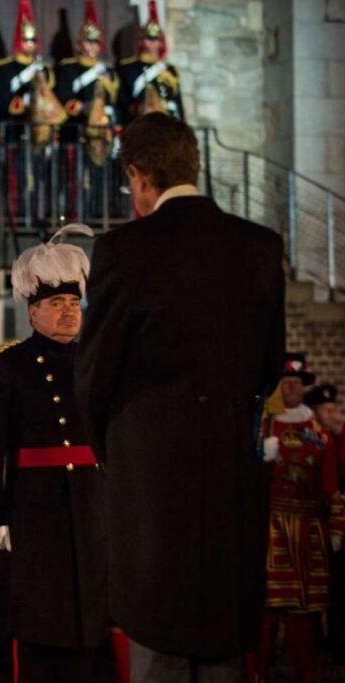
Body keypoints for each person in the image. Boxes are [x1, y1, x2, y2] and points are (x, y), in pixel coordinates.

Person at [74, 112, 286, 681]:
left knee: (157, 647)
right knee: (223, 649)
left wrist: (115, 454)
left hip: (148, 488)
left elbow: (93, 376)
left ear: (140, 177)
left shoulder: (123, 250)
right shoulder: (260, 247)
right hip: (227, 483)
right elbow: (269, 370)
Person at [0, 225, 108, 682]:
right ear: (33, 312)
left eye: (73, 303)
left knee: (89, 607)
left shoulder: (96, 360)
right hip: (33, 505)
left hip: (90, 502)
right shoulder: (7, 365)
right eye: (56, 304)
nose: (68, 313)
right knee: (38, 613)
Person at [255, 356, 343, 683]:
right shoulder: (264, 425)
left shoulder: (318, 432)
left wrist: (336, 527)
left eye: (297, 382)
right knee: (268, 609)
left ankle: (306, 674)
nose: (291, 387)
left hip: (308, 530)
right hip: (273, 527)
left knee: (303, 613)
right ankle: (259, 673)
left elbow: (331, 484)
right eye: (285, 382)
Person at [0, 0, 64, 226]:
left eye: (33, 40)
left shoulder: (44, 69)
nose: (30, 44)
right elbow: (4, 100)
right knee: (20, 179)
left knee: (42, 178)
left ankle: (40, 217)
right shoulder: (7, 68)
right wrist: (25, 84)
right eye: (26, 39)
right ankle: (20, 218)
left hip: (40, 132)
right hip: (18, 132)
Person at [54, 0, 119, 220]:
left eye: (96, 43)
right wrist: (84, 108)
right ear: (79, 43)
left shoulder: (107, 70)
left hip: (101, 133)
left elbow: (114, 100)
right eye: (88, 42)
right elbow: (63, 99)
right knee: (76, 177)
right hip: (78, 131)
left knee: (100, 177)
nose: (92, 47)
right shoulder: (69, 68)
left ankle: (98, 215)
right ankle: (76, 217)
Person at [305, 382, 345, 664]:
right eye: (327, 410)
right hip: (313, 521)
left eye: (334, 409)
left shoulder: (339, 438)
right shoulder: (312, 439)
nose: (333, 415)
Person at [117, 0, 183, 122]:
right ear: (141, 41)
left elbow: (177, 101)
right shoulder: (128, 68)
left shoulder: (169, 70)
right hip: (140, 121)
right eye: (149, 38)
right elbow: (123, 102)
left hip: (168, 122)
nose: (153, 42)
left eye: (156, 39)